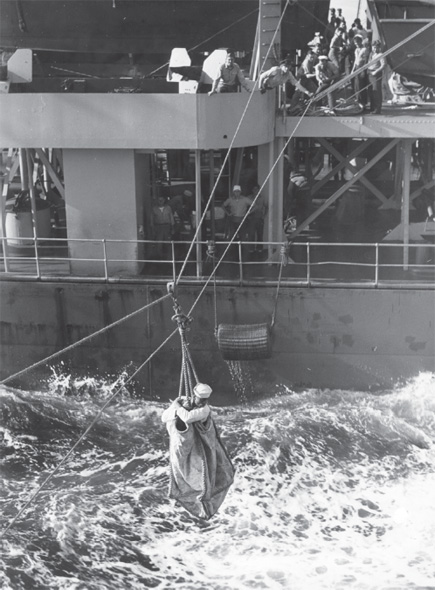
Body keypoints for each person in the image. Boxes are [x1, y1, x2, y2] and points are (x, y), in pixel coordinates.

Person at [367, 40, 386, 114]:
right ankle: (372, 107)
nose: (375, 49)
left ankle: (377, 109)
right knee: (371, 91)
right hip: (370, 73)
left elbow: (383, 65)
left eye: (376, 47)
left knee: (376, 92)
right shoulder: (371, 54)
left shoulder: (381, 55)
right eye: (374, 47)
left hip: (376, 74)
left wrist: (376, 71)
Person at [247, 184, 268, 252]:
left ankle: (259, 248)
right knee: (251, 234)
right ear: (252, 190)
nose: (255, 191)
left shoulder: (262, 198)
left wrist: (264, 215)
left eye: (256, 189)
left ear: (259, 190)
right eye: (254, 189)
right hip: (251, 217)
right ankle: (251, 248)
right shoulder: (249, 197)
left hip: (259, 218)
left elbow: (266, 206)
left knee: (260, 234)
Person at [351, 35, 370, 107]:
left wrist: (363, 71)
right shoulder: (356, 50)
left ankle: (363, 102)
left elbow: (366, 61)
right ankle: (358, 101)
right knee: (356, 86)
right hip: (356, 67)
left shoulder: (365, 49)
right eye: (355, 43)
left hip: (362, 68)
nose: (356, 44)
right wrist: (352, 70)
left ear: (360, 42)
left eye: (357, 42)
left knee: (361, 86)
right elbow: (356, 60)